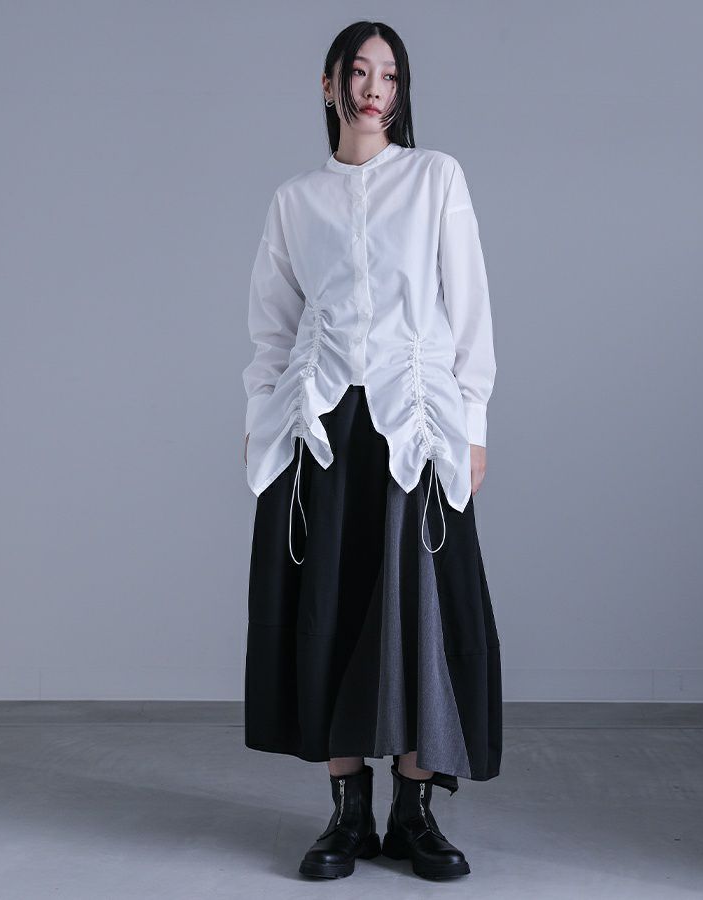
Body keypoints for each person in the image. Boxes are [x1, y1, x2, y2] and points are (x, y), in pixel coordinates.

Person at [242, 20, 502, 881]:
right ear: (329, 85)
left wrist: (473, 424)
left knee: (421, 611)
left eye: (389, 75)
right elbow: (271, 328)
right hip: (321, 425)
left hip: (415, 421)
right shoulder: (296, 201)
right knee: (330, 609)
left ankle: (413, 814)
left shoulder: (435, 179)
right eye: (358, 73)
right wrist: (260, 419)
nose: (374, 90)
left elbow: (468, 307)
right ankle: (347, 814)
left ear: (402, 90)